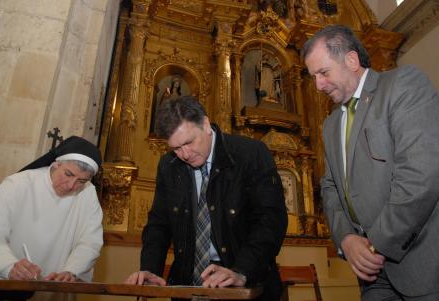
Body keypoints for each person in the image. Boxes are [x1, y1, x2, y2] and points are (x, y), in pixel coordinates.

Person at [302, 24, 439, 300]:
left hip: (421, 264)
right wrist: (346, 240)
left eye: (323, 73)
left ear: (351, 60)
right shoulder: (330, 125)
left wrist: (374, 246)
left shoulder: (402, 85)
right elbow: (330, 189)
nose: (318, 85)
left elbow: (421, 175)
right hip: (371, 277)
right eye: (313, 77)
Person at [125, 96, 288, 301]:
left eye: (189, 142)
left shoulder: (250, 154)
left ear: (205, 123)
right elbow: (159, 224)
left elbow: (271, 221)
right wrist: (150, 270)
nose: (184, 154)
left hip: (247, 285)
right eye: (175, 148)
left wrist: (241, 270)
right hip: (186, 286)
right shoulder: (168, 165)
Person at [0, 136, 104, 301]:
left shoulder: (88, 194)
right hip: (3, 287)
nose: (71, 185)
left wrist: (71, 271)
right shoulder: (17, 184)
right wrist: (8, 266)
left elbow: (90, 242)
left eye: (81, 180)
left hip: (53, 290)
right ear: (57, 164)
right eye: (68, 174)